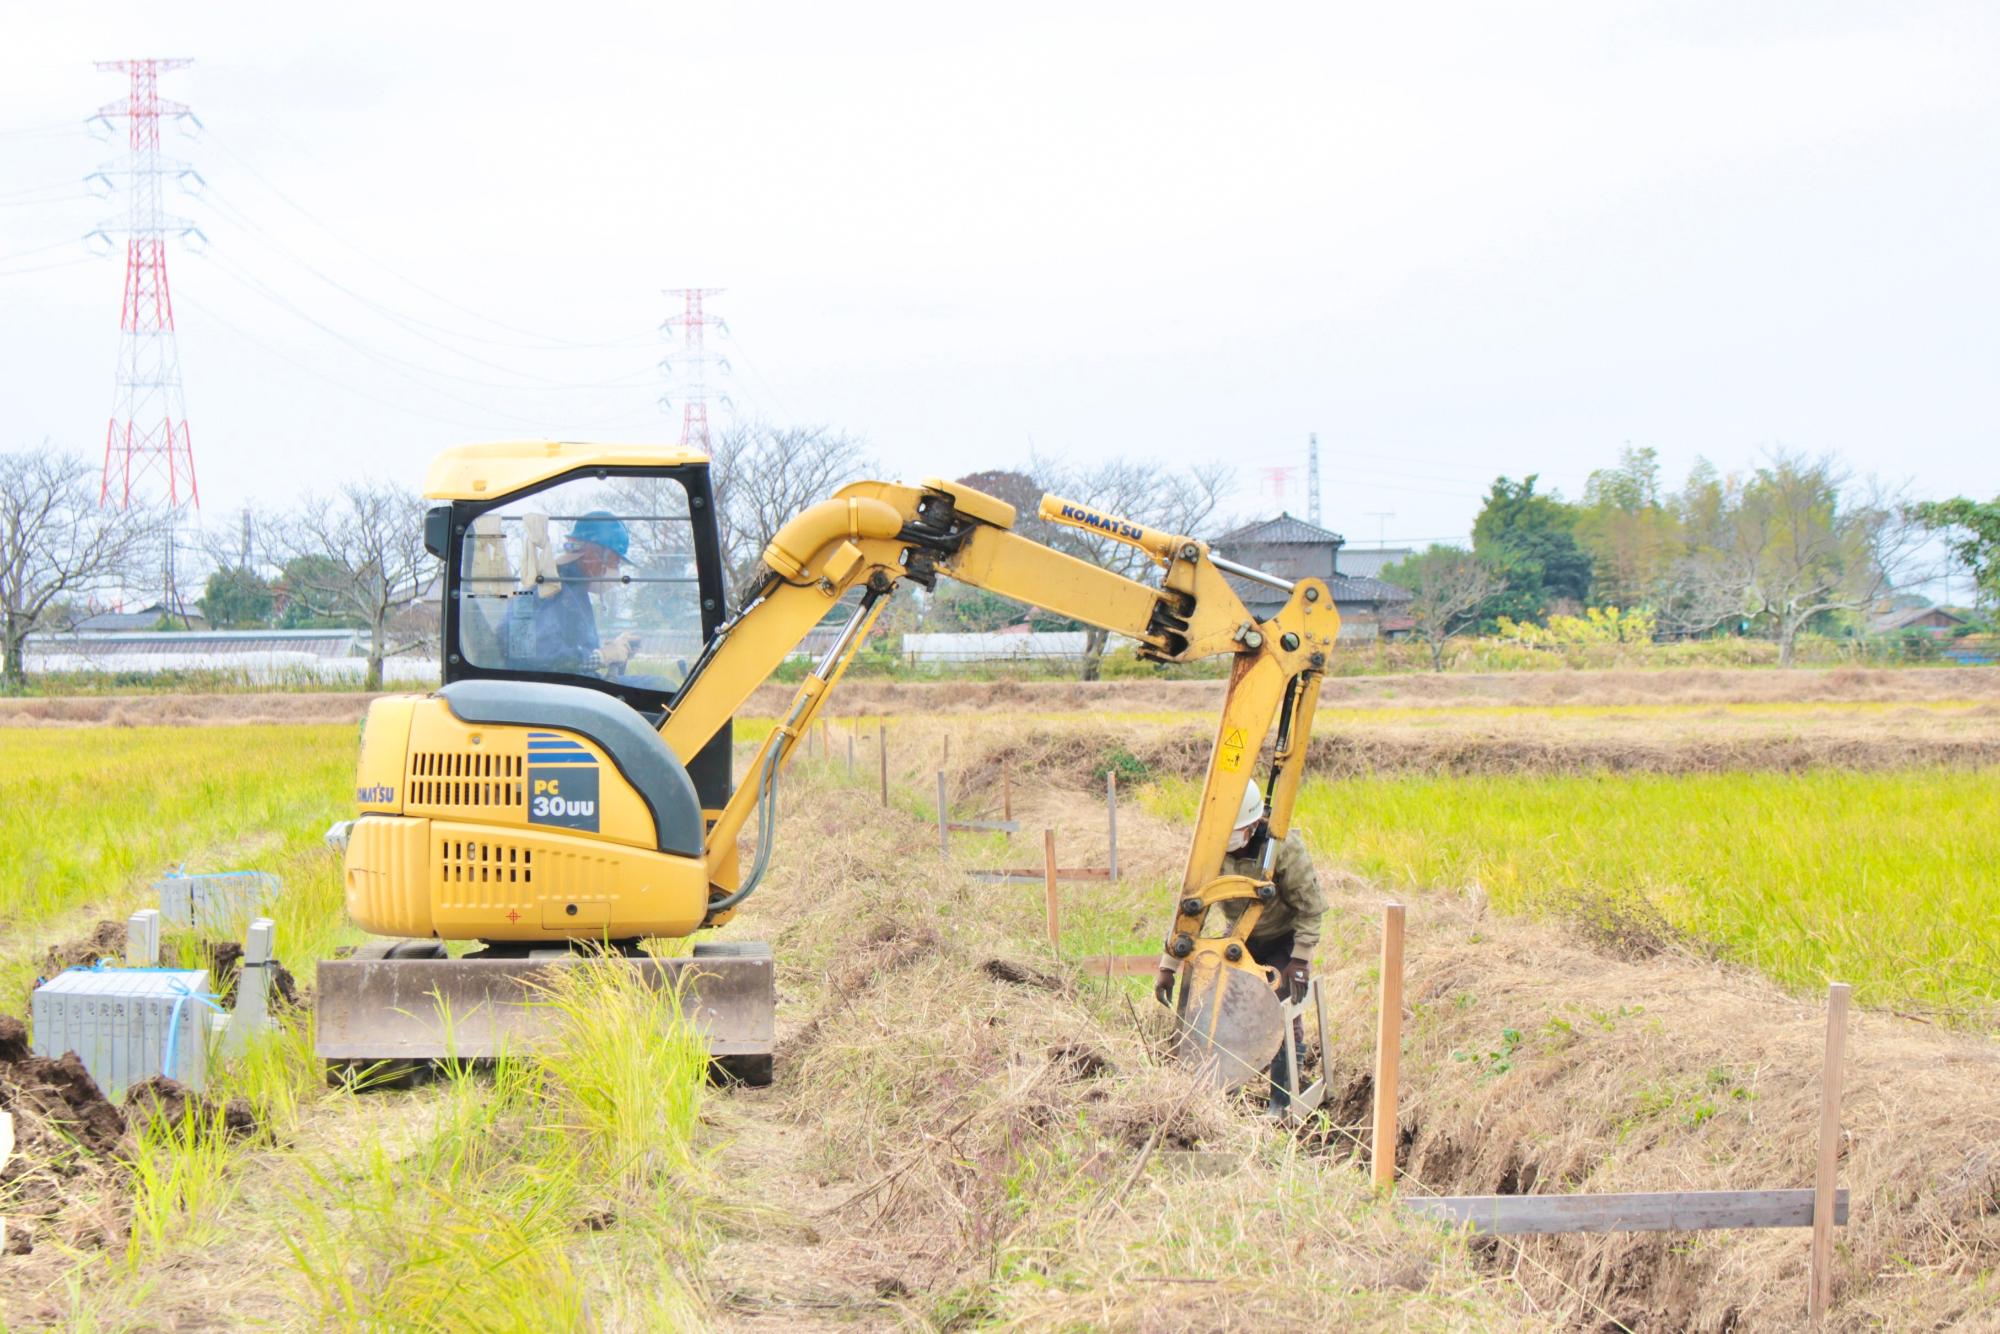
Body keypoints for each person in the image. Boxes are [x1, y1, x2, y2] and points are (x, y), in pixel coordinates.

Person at [1155, 778, 1326, 1111]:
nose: (1229, 843)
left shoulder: (1283, 848)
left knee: (1279, 1011)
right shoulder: (1211, 849)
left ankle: (1282, 1102)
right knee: (1219, 1005)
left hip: (1282, 938)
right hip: (1241, 936)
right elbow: (1191, 909)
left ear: (1253, 824)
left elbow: (1310, 905)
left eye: (1236, 834)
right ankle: (1216, 1095)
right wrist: (1169, 966)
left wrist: (1301, 959)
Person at [515, 511, 637, 676]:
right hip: (553, 691)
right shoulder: (551, 590)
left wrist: (611, 649)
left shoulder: (572, 590)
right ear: (593, 555)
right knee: (657, 685)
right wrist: (601, 656)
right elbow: (543, 659)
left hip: (568, 687)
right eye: (615, 562)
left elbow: (566, 647)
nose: (616, 572)